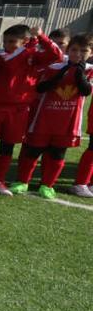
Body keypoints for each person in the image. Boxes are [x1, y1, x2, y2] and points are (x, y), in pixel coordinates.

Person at [0, 24, 63, 195]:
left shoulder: (33, 55)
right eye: (5, 41)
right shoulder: (1, 54)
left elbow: (57, 55)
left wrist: (41, 37)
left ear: (24, 41)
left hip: (19, 109)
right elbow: (11, 64)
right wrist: (29, 47)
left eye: (12, 41)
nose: (7, 45)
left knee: (8, 147)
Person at [12, 35, 92, 198]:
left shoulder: (89, 69)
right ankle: (23, 182)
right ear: (68, 50)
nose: (78, 54)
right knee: (34, 151)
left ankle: (47, 185)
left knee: (58, 153)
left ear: (90, 53)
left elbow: (85, 90)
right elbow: (40, 88)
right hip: (44, 118)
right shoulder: (54, 67)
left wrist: (79, 73)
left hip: (68, 121)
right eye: (74, 50)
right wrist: (60, 74)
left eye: (84, 51)